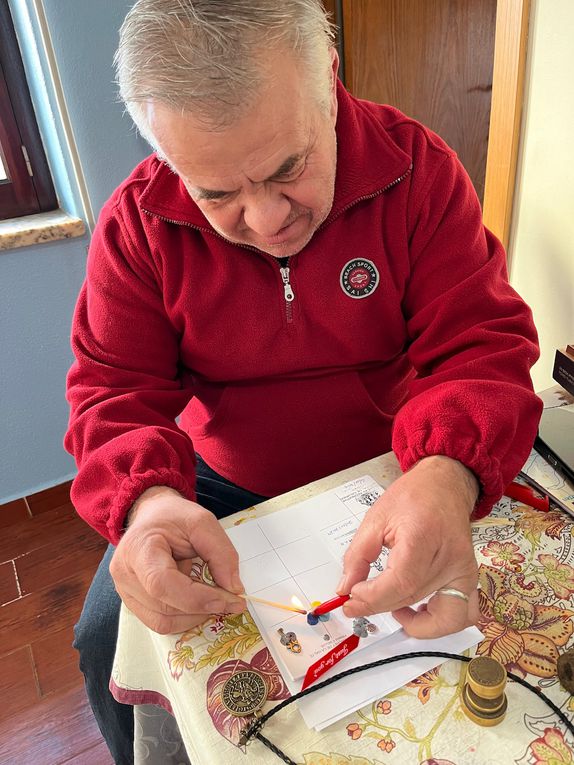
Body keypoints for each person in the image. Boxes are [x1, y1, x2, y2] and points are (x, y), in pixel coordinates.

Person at [64, 1, 542, 762]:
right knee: (103, 635)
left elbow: (479, 346)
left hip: (390, 468)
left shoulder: (417, 171)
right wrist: (147, 504)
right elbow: (111, 388)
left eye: (288, 168)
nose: (264, 219)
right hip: (213, 483)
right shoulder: (138, 225)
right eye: (216, 193)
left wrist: (447, 475)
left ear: (329, 82)